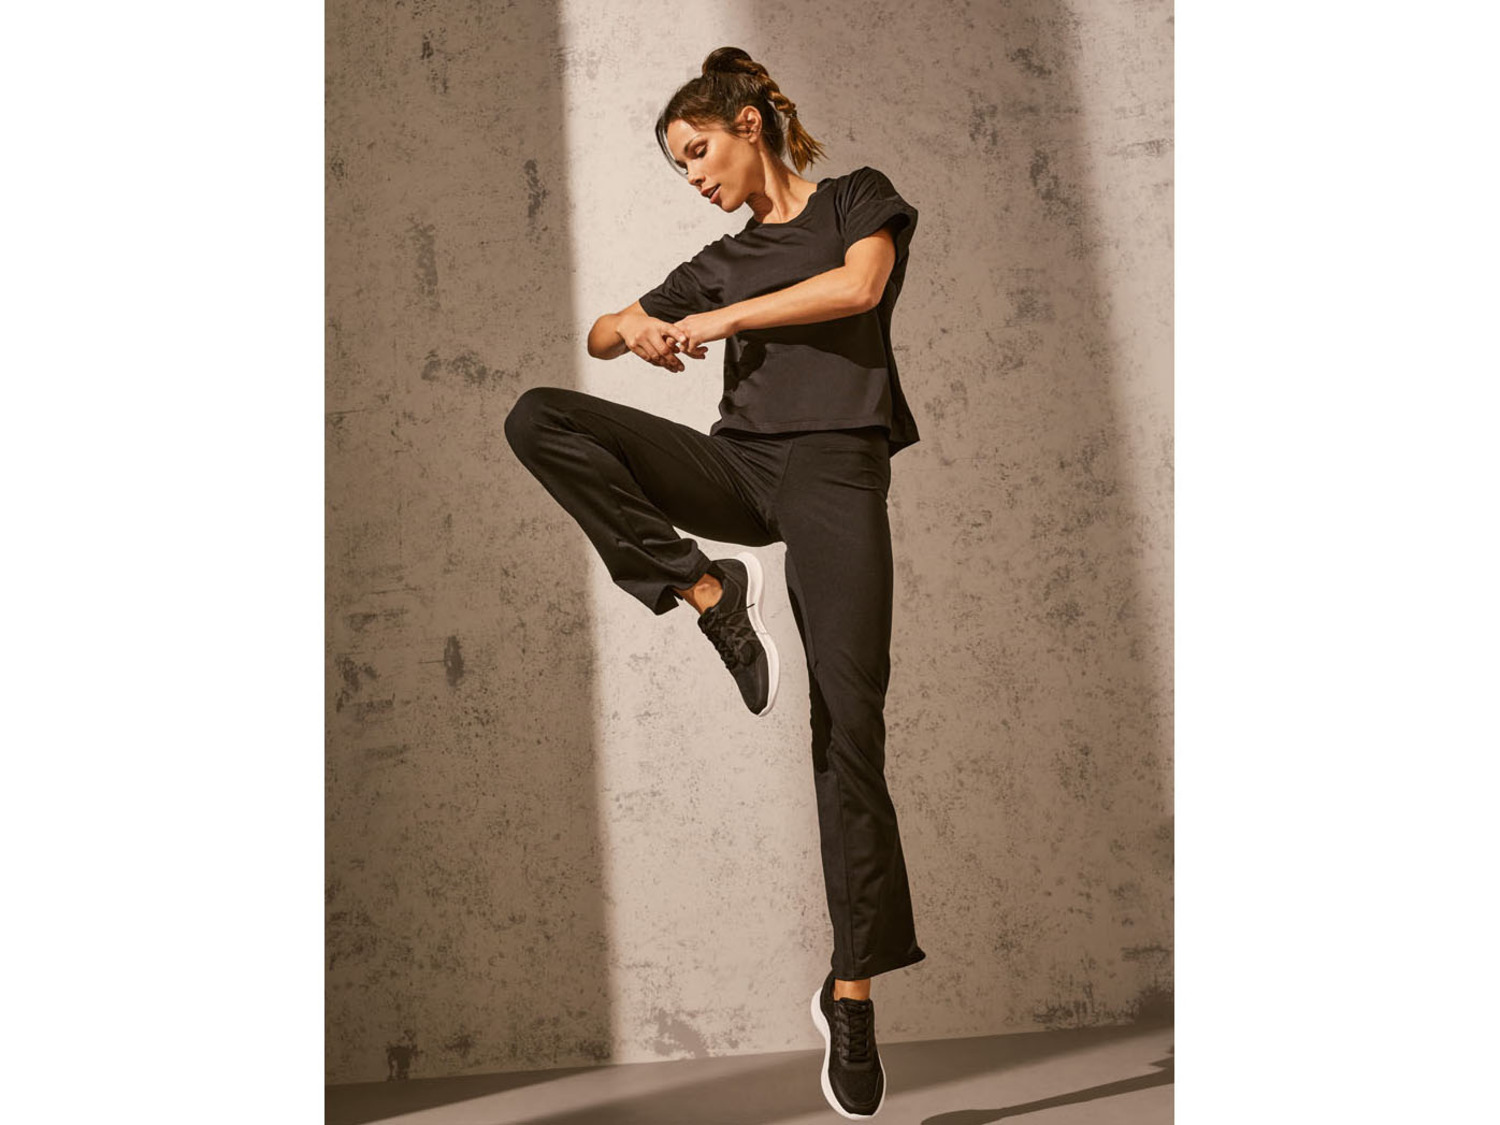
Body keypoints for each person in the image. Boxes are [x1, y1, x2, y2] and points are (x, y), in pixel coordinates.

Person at [504, 45, 925, 1118]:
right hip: (741, 470)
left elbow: (859, 287)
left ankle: (852, 991)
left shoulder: (853, 199)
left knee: (849, 726)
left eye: (697, 152)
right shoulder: (718, 257)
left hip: (836, 472)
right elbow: (603, 333)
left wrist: (722, 319)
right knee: (540, 417)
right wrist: (635, 327)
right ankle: (706, 591)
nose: (692, 176)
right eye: (678, 165)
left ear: (748, 123)